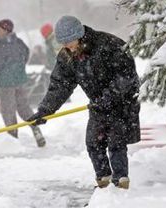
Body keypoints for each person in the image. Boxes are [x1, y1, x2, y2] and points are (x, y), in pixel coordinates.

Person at [27, 16, 140, 189]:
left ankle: (121, 183)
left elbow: (126, 75)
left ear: (79, 35)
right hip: (97, 104)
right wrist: (45, 111)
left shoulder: (108, 44)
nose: (66, 46)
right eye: (63, 42)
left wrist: (109, 96)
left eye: (69, 41)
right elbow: (60, 85)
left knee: (116, 142)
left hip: (121, 101)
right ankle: (104, 181)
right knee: (93, 142)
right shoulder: (67, 55)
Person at [0, 19, 46, 147]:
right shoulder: (20, 43)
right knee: (24, 108)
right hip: (21, 81)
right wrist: (17, 68)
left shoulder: (1, 48)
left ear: (6, 30)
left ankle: (13, 139)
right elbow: (26, 55)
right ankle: (36, 130)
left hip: (7, 83)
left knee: (8, 111)